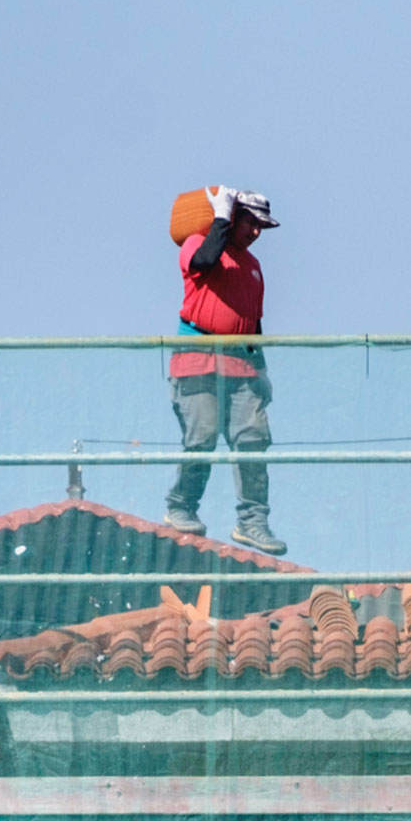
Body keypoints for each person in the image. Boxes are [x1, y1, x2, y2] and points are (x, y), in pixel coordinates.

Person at [163, 184, 286, 555]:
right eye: (250, 223)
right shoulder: (198, 244)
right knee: (200, 437)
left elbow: (254, 321)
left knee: (252, 442)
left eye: (261, 226)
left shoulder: (253, 267)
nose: (256, 232)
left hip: (241, 365)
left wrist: (261, 370)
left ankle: (253, 522)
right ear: (232, 218)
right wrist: (219, 217)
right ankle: (181, 506)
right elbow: (203, 263)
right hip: (197, 358)